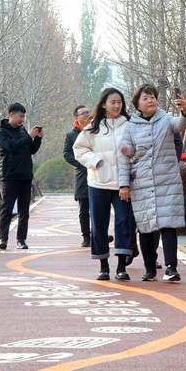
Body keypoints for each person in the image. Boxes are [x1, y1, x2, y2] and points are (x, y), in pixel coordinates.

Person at [118, 84, 186, 282]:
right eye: (145, 98)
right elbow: (124, 158)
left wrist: (185, 110)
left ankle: (171, 268)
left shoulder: (166, 119)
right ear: (138, 105)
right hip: (141, 182)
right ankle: (149, 268)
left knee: (169, 224)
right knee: (145, 227)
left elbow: (181, 125)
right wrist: (124, 185)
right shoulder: (131, 126)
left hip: (166, 181)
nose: (150, 100)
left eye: (152, 97)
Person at [73, 88, 133, 281]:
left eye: (119, 102)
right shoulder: (93, 127)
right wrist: (96, 161)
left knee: (124, 222)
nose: (116, 106)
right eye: (113, 102)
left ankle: (122, 266)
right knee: (99, 225)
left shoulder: (129, 124)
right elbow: (79, 149)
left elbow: (140, 148)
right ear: (104, 104)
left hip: (122, 184)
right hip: (98, 183)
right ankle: (104, 266)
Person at [0, 102, 42, 250]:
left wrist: (38, 139)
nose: (22, 120)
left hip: (25, 176)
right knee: (7, 209)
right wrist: (29, 136)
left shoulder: (22, 131)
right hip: (10, 176)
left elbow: (31, 150)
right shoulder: (2, 131)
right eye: (20, 116)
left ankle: (21, 239)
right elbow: (12, 147)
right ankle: (3, 238)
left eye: (23, 117)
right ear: (11, 115)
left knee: (24, 211)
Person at [63, 105, 93, 246]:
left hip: (98, 173)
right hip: (82, 175)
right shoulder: (71, 135)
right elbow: (67, 154)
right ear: (77, 118)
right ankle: (86, 237)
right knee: (84, 208)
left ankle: (99, 234)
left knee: (99, 207)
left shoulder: (96, 130)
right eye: (83, 113)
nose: (87, 115)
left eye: (88, 112)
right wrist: (81, 163)